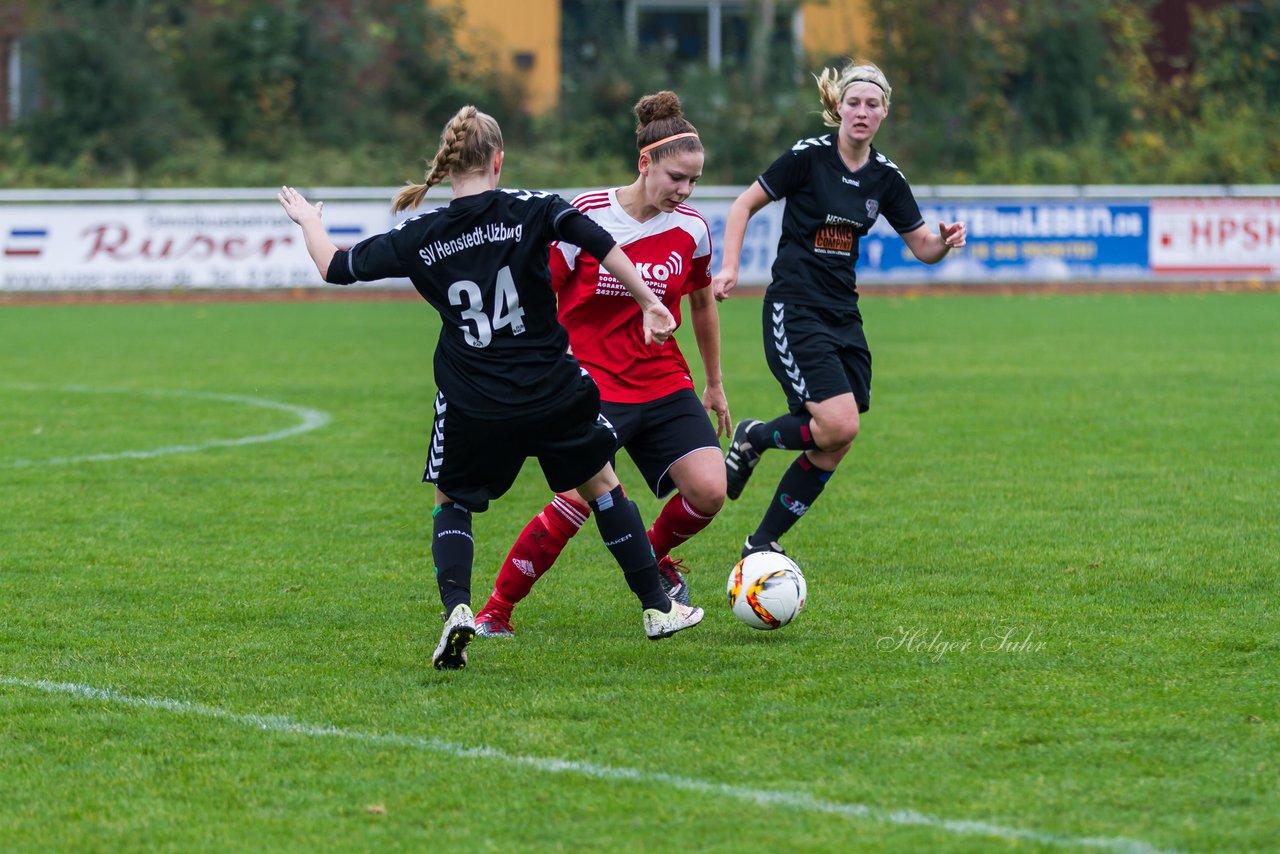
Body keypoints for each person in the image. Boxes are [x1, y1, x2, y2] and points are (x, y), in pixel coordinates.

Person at [277, 105, 704, 670]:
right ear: (499, 160)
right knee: (602, 484)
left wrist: (309, 220)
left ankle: (458, 609)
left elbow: (334, 267)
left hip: (474, 398)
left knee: (452, 500)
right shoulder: (533, 208)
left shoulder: (421, 234)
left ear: (450, 165)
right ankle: (656, 608)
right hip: (550, 387)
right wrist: (650, 302)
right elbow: (600, 242)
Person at [473, 91, 729, 639]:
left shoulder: (693, 230)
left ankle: (652, 558)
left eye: (694, 181)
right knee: (576, 500)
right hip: (591, 384)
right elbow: (539, 294)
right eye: (677, 178)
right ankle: (496, 611)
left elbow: (703, 303)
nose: (685, 191)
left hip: (662, 378)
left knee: (711, 490)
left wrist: (714, 383)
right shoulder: (585, 217)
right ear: (645, 163)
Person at [711, 60, 966, 558]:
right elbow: (742, 205)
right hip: (794, 307)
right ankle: (756, 438)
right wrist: (731, 267)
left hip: (843, 315)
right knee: (839, 425)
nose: (862, 112)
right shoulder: (807, 157)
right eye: (854, 102)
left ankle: (761, 542)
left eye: (873, 105)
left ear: (884, 113)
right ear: (839, 107)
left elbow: (922, 247)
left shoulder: (886, 178)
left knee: (837, 442)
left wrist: (944, 241)